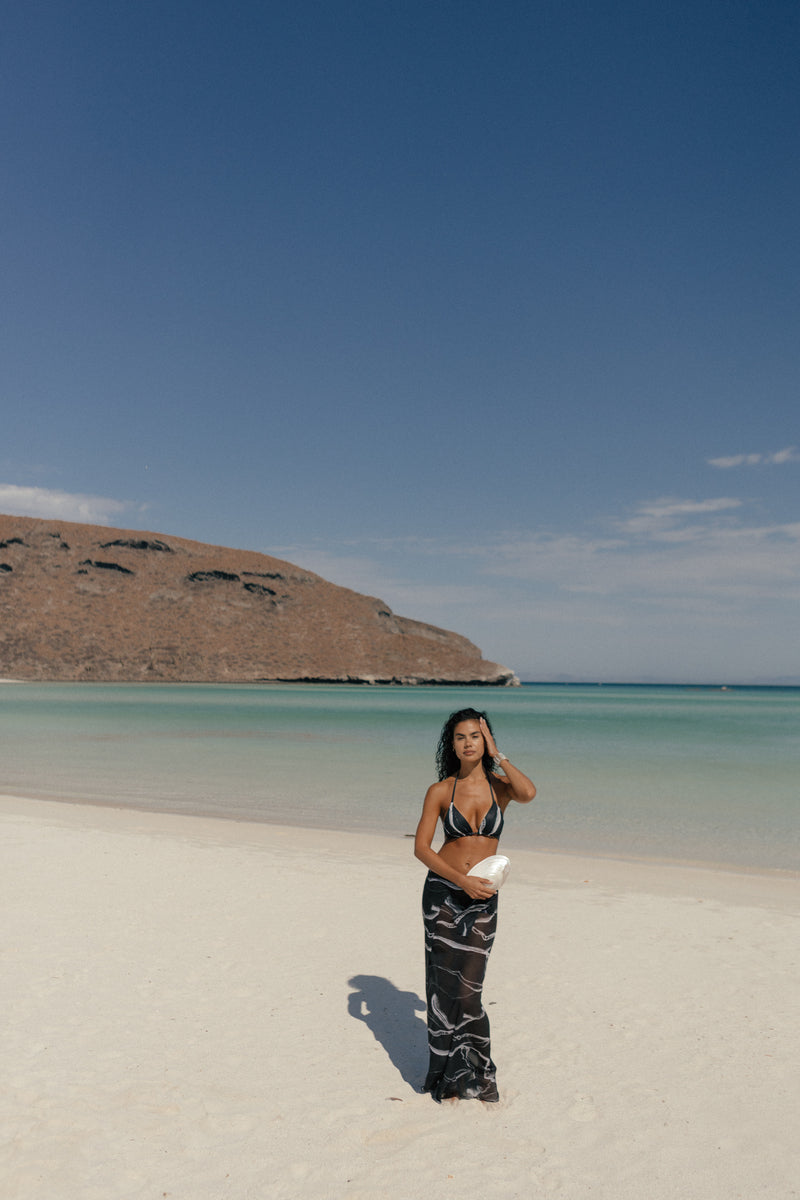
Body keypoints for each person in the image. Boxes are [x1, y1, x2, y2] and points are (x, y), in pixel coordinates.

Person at [414, 708, 536, 1102]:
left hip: (482, 898)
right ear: (451, 745)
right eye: (461, 737)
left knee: (470, 990)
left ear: (485, 740)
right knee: (444, 987)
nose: (468, 743)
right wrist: (460, 879)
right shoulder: (440, 791)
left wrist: (499, 755)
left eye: (475, 736)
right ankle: (446, 1079)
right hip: (444, 896)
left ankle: (477, 1076)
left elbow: (529, 793)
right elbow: (421, 848)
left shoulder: (501, 788)